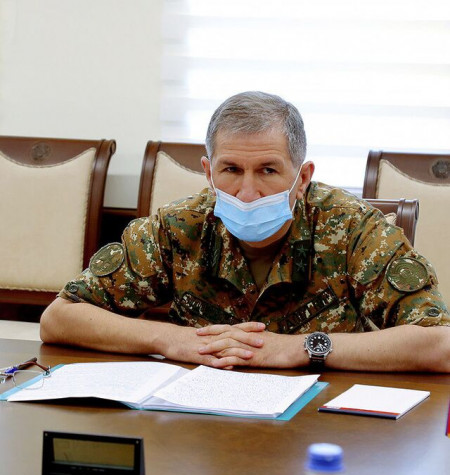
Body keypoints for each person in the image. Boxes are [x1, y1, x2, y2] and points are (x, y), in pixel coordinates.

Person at [40, 91, 450, 372]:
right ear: (208, 172)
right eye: (231, 170)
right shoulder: (179, 226)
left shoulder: (354, 230)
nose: (248, 192)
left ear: (303, 177)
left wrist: (301, 348)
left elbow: (439, 344)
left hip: (319, 420)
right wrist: (171, 339)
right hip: (198, 417)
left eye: (268, 170)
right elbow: (60, 319)